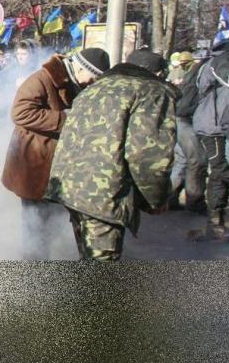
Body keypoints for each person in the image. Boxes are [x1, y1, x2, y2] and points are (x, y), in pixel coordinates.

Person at [45, 50, 177, 261]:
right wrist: (157, 199)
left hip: (71, 186)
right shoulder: (151, 91)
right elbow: (147, 156)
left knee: (89, 261)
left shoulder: (95, 87)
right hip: (103, 193)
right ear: (158, 73)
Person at [1, 47, 110, 259]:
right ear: (80, 68)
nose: (91, 82)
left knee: (49, 219)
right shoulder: (42, 79)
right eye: (92, 77)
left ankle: (45, 260)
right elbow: (20, 112)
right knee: (36, 222)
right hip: (33, 162)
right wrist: (65, 119)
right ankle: (34, 269)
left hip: (52, 163)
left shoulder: (70, 80)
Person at [192, 39, 229, 239]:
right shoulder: (225, 58)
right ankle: (215, 223)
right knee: (221, 170)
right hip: (214, 126)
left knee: (226, 170)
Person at [167, 51, 206, 213]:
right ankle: (194, 200)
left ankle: (168, 198)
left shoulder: (194, 73)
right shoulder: (201, 74)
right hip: (185, 119)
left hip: (178, 117)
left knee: (182, 160)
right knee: (197, 160)